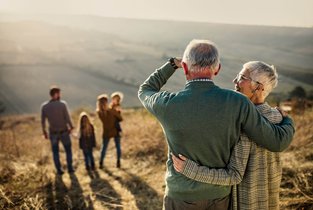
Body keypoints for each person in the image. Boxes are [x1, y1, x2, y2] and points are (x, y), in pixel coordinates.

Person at [138, 39, 295, 210]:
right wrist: (287, 120)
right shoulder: (238, 102)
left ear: (184, 67)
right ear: (217, 69)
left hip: (181, 197)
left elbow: (145, 90)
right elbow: (276, 142)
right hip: (220, 198)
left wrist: (171, 65)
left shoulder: (167, 103)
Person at [172, 61, 285, 210]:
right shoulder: (278, 117)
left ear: (259, 87)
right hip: (269, 201)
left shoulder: (242, 123)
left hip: (247, 204)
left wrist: (191, 170)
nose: (235, 81)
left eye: (242, 77)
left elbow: (234, 175)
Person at [41, 86, 74, 175]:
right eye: (59, 93)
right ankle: (70, 168)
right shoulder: (62, 104)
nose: (60, 95)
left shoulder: (44, 106)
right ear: (56, 94)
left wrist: (44, 132)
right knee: (68, 150)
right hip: (64, 131)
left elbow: (43, 121)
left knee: (55, 152)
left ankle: (59, 170)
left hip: (53, 133)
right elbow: (67, 118)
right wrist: (71, 127)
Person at [97, 94, 123, 168]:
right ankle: (118, 162)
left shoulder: (99, 112)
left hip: (106, 131)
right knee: (118, 146)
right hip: (115, 130)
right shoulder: (111, 110)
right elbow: (121, 118)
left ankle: (101, 163)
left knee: (104, 148)